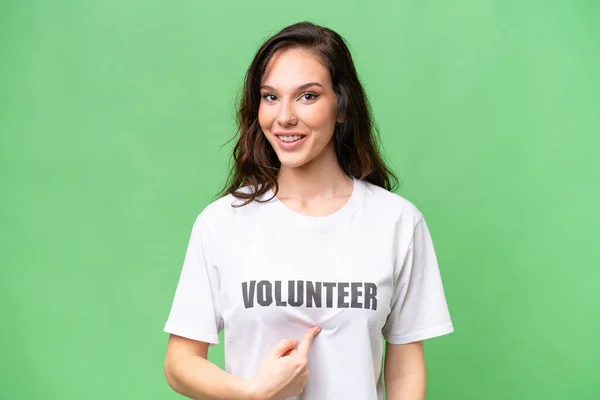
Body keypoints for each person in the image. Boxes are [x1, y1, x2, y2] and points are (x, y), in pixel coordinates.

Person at [162, 21, 454, 400]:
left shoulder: (396, 222)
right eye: (270, 97)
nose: (284, 117)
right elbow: (179, 362)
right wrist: (249, 392)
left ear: (342, 106)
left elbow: (405, 365)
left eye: (308, 96)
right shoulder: (221, 223)